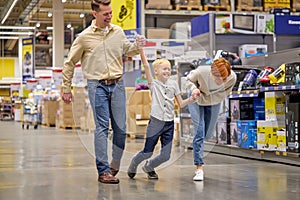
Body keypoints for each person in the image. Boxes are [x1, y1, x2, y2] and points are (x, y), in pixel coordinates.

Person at [61, 0, 146, 184]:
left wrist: (138, 45)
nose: (109, 16)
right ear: (95, 13)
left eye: (110, 12)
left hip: (118, 84)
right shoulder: (84, 37)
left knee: (121, 129)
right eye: (105, 14)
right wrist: (66, 88)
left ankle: (114, 163)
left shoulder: (118, 32)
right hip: (97, 86)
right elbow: (69, 63)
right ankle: (103, 171)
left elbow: (128, 51)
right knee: (102, 127)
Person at [127, 48, 199, 180]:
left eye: (168, 68)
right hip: (155, 122)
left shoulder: (173, 85)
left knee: (166, 156)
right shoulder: (153, 84)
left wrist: (191, 99)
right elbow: (146, 66)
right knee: (147, 152)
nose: (167, 71)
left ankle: (149, 167)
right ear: (156, 72)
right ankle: (134, 163)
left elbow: (181, 104)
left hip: (169, 124)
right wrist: (142, 51)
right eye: (164, 69)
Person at [186, 57, 237, 181]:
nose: (221, 81)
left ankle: (199, 144)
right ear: (211, 73)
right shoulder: (201, 72)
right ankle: (199, 168)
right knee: (199, 131)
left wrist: (212, 98)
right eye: (218, 78)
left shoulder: (232, 78)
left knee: (207, 134)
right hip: (196, 98)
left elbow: (225, 91)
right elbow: (187, 80)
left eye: (224, 78)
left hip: (214, 100)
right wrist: (194, 89)